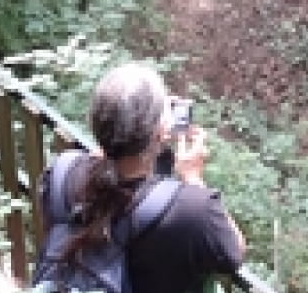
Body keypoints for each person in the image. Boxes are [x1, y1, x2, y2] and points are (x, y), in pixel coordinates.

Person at [37, 62, 245, 293]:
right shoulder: (193, 210)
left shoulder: (62, 172)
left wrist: (108, 153)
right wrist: (193, 176)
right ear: (159, 131)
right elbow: (233, 252)